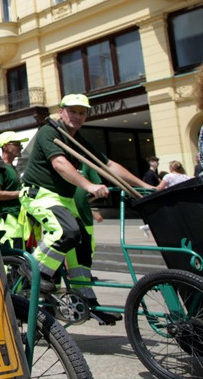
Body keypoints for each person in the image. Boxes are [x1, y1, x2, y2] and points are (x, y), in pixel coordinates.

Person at [20, 94, 153, 325]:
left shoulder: (78, 139)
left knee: (81, 251)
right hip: (39, 194)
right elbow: (59, 163)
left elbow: (108, 165)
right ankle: (33, 271)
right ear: (61, 111)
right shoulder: (49, 131)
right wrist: (89, 185)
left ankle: (88, 303)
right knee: (66, 231)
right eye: (73, 111)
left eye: (82, 112)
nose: (78, 116)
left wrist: (145, 186)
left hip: (64, 198)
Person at [0, 131, 29, 249]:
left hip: (17, 222)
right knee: (12, 261)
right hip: (8, 223)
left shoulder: (12, 168)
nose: (20, 147)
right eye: (16, 144)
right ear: (5, 146)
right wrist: (21, 193)